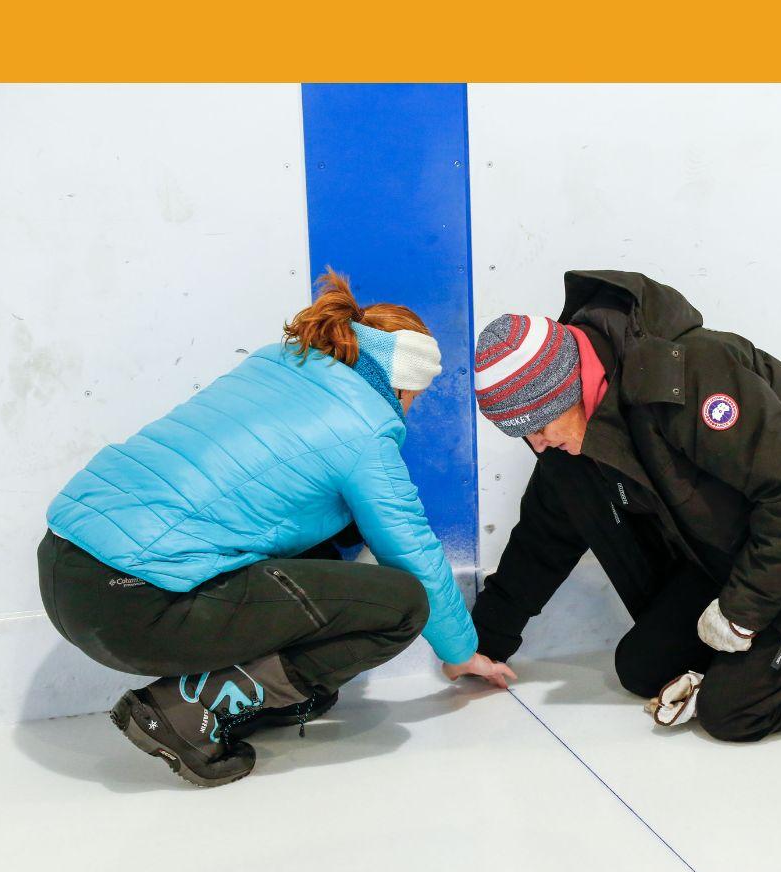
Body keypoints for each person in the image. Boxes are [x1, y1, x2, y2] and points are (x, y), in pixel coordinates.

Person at [39, 269, 514, 787]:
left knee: (326, 553)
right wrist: (460, 654)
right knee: (402, 604)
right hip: (135, 603)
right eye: (412, 399)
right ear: (402, 382)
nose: (408, 411)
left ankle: (260, 699)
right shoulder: (364, 429)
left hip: (65, 570)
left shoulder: (274, 365)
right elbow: (413, 554)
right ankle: (185, 708)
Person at [470, 270, 781, 742]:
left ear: (570, 388)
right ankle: (779, 654)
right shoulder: (574, 443)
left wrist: (742, 612)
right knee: (641, 667)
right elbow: (543, 539)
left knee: (734, 710)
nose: (537, 445)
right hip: (744, 556)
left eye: (540, 426)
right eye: (524, 435)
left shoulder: (684, 376)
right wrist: (480, 645)